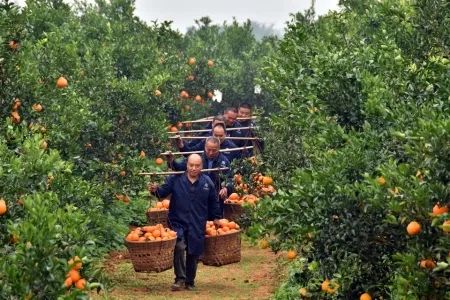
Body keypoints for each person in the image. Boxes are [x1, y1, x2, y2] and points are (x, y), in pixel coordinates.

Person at [148, 154, 221, 291]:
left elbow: (213, 202)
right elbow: (162, 192)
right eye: (191, 165)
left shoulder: (207, 183)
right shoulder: (175, 179)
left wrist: (216, 217)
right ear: (187, 165)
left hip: (197, 222)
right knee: (180, 247)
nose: (194, 168)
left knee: (194, 252)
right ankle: (180, 279)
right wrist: (155, 190)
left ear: (201, 167)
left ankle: (190, 281)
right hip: (177, 221)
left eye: (197, 166)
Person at [166, 137, 233, 213]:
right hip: (197, 200)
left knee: (214, 222)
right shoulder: (198, 158)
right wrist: (171, 161)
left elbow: (229, 179)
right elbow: (180, 167)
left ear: (219, 148)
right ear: (205, 147)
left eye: (214, 150)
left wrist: (226, 188)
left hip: (215, 201)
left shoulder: (224, 161)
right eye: (208, 149)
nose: (211, 152)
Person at [175, 124, 241, 162]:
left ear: (225, 134)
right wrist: (181, 145)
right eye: (216, 135)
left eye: (220, 136)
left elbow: (238, 164)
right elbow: (190, 153)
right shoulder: (205, 142)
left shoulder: (232, 148)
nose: (218, 138)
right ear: (212, 133)